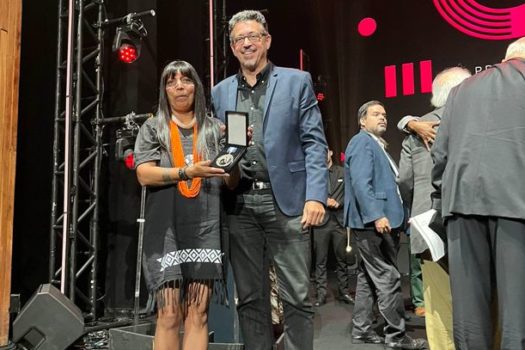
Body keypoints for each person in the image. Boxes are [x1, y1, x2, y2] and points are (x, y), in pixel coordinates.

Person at [211, 9, 328, 350]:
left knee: (297, 295)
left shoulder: (296, 81)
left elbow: (314, 142)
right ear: (232, 47)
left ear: (267, 41)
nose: (247, 44)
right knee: (249, 298)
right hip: (240, 203)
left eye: (253, 37)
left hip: (289, 202)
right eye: (239, 39)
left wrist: (316, 196)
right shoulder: (220, 92)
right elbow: (223, 147)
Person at [431, 37, 525, 349]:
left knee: (469, 320)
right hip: (517, 205)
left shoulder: (461, 90)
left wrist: (442, 201)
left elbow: (440, 155)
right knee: (518, 317)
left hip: (461, 205)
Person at [134, 60, 234, 350]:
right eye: (171, 81)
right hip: (166, 230)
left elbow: (231, 180)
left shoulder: (215, 129)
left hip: (207, 227)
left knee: (199, 313)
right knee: (168, 314)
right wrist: (187, 172)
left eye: (186, 80)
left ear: (197, 88)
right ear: (165, 90)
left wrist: (236, 152)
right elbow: (144, 174)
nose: (179, 86)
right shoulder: (153, 127)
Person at [398, 66, 471, 350]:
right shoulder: (474, 118)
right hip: (471, 223)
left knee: (440, 306)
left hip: (430, 229)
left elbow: (404, 181)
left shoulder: (416, 131)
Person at [344, 100, 425, 349]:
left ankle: (362, 330)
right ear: (362, 121)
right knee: (388, 277)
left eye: (385, 114)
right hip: (372, 223)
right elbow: (360, 183)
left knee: (369, 278)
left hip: (381, 221)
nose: (383, 118)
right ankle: (397, 337)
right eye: (376, 114)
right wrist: (375, 215)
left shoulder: (378, 146)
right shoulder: (361, 142)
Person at [313, 149, 354, 307]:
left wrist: (339, 203)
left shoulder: (342, 172)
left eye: (325, 152)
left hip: (339, 221)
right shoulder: (316, 174)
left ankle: (344, 292)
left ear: (330, 153)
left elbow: (349, 192)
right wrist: (324, 200)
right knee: (320, 260)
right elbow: (308, 191)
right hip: (321, 221)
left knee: (342, 259)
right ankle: (321, 294)